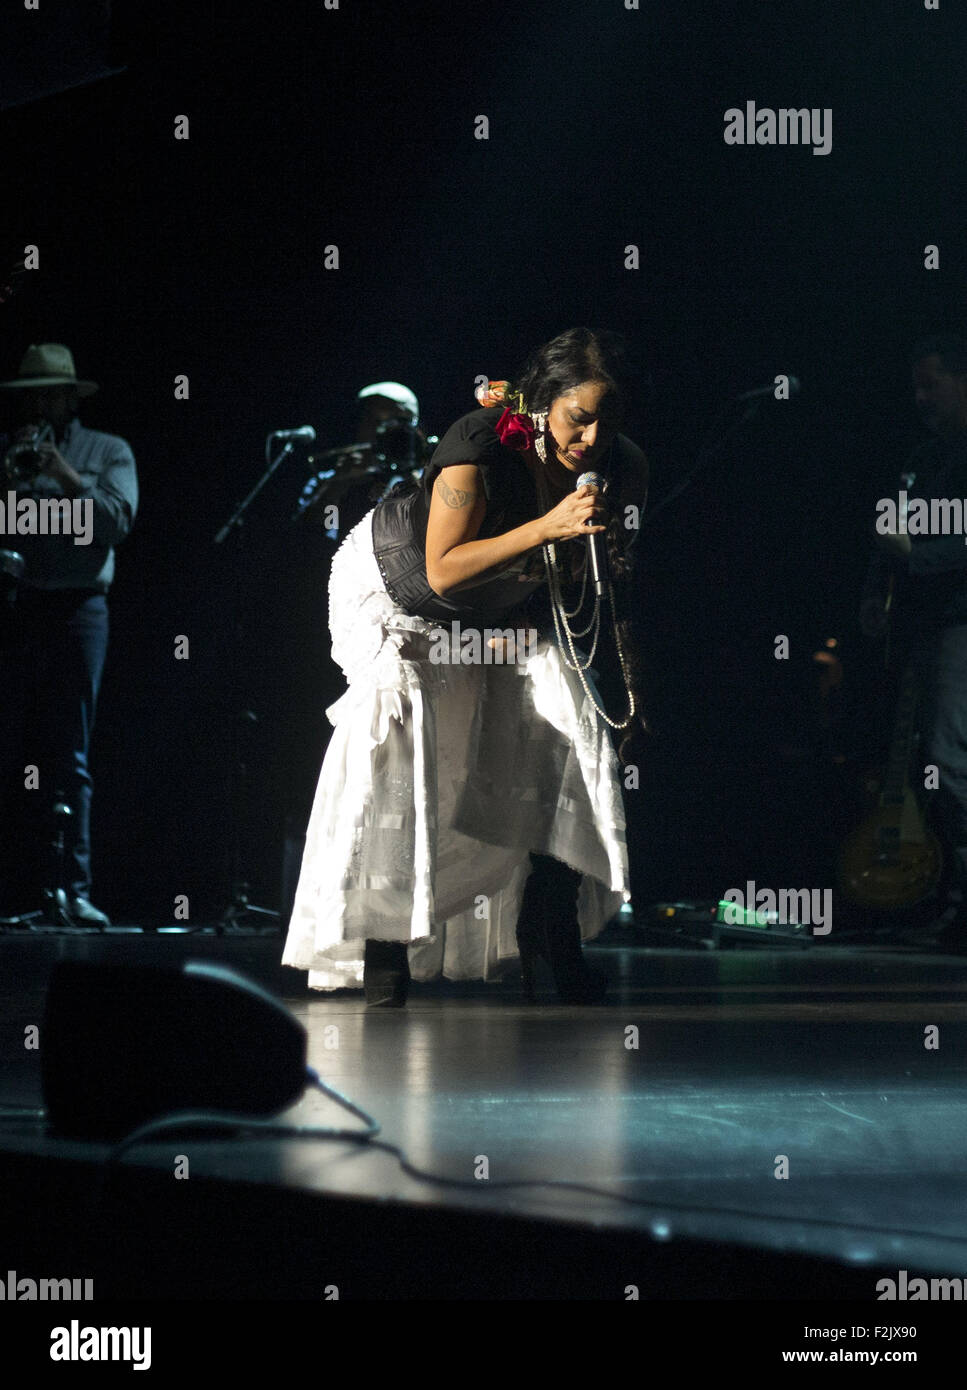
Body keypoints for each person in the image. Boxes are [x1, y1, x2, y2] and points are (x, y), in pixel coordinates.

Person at [282, 328, 649, 1003]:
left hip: (509, 599)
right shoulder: (480, 444)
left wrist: (626, 689)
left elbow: (609, 582)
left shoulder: (622, 466)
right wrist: (548, 527)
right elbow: (443, 571)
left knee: (566, 727)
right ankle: (384, 938)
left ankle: (547, 925)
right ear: (541, 403)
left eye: (609, 418)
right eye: (578, 417)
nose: (593, 437)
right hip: (401, 588)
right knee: (408, 734)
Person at [0, 344, 138, 926]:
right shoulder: (7, 455)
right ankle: (21, 887)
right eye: (31, 394)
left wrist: (64, 476)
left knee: (70, 754)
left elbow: (113, 524)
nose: (39, 403)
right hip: (20, 604)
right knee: (15, 747)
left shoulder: (107, 451)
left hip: (80, 610)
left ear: (69, 398)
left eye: (49, 393)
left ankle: (73, 890)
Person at [861, 334, 967, 948]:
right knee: (931, 762)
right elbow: (888, 535)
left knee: (951, 764)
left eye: (932, 384)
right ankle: (950, 901)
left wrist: (916, 557)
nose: (921, 397)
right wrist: (875, 595)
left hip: (960, 626)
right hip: (923, 629)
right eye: (916, 386)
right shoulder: (921, 457)